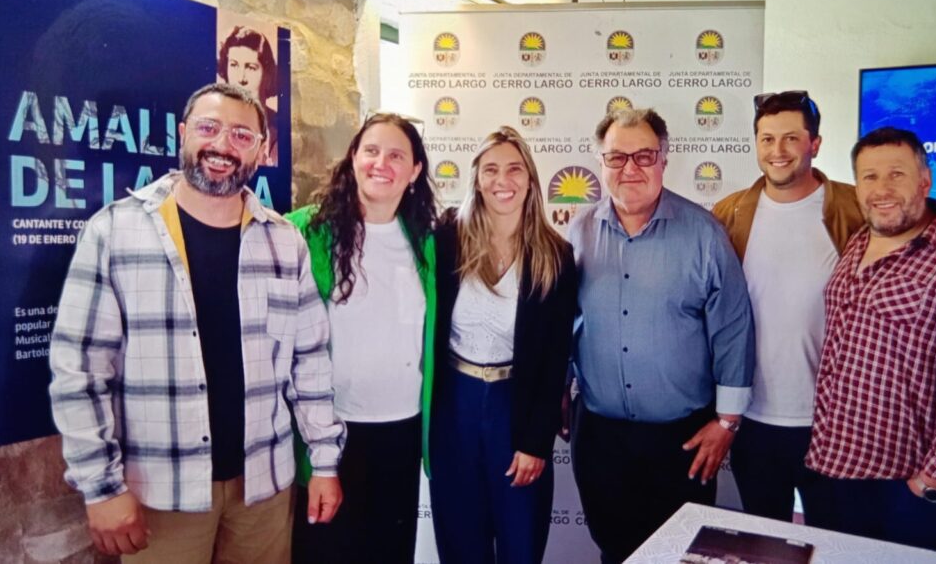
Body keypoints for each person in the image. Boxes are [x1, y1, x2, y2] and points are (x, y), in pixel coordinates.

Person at [48, 82, 343, 563]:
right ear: (183, 134)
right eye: (209, 128)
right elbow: (79, 371)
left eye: (242, 136)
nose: (223, 145)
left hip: (263, 490)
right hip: (161, 494)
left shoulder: (284, 241)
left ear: (263, 151)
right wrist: (101, 487)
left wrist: (325, 461)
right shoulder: (116, 230)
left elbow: (309, 363)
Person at [805, 127, 936, 554]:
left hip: (906, 490)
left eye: (896, 174)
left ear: (925, 181)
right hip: (836, 469)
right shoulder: (859, 242)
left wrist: (932, 479)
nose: (882, 189)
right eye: (870, 177)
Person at [568, 107, 755, 564]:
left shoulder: (703, 234)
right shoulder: (579, 231)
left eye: (644, 156)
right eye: (616, 157)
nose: (630, 168)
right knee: (614, 551)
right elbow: (565, 321)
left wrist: (728, 422)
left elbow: (733, 327)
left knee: (679, 556)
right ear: (601, 162)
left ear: (664, 160)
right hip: (601, 436)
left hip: (682, 440)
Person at [285, 113, 437, 564]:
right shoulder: (302, 231)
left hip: (403, 433)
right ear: (353, 158)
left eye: (396, 155)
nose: (381, 163)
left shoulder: (426, 241)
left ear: (414, 172)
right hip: (331, 435)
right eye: (371, 151)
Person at [712, 91, 864, 522]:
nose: (777, 152)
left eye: (791, 138)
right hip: (753, 421)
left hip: (835, 421)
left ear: (815, 144)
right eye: (766, 139)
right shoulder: (729, 213)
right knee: (763, 543)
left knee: (837, 539)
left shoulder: (855, 209)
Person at [429, 126, 577, 564]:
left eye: (515, 169)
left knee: (520, 542)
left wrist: (536, 442)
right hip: (455, 404)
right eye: (491, 169)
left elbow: (555, 360)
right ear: (476, 178)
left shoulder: (555, 255)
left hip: (516, 408)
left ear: (530, 179)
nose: (502, 180)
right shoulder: (447, 238)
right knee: (460, 540)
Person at [218, 26, 279, 166]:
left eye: (250, 67)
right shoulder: (216, 128)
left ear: (268, 75)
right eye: (233, 65)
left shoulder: (279, 127)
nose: (241, 78)